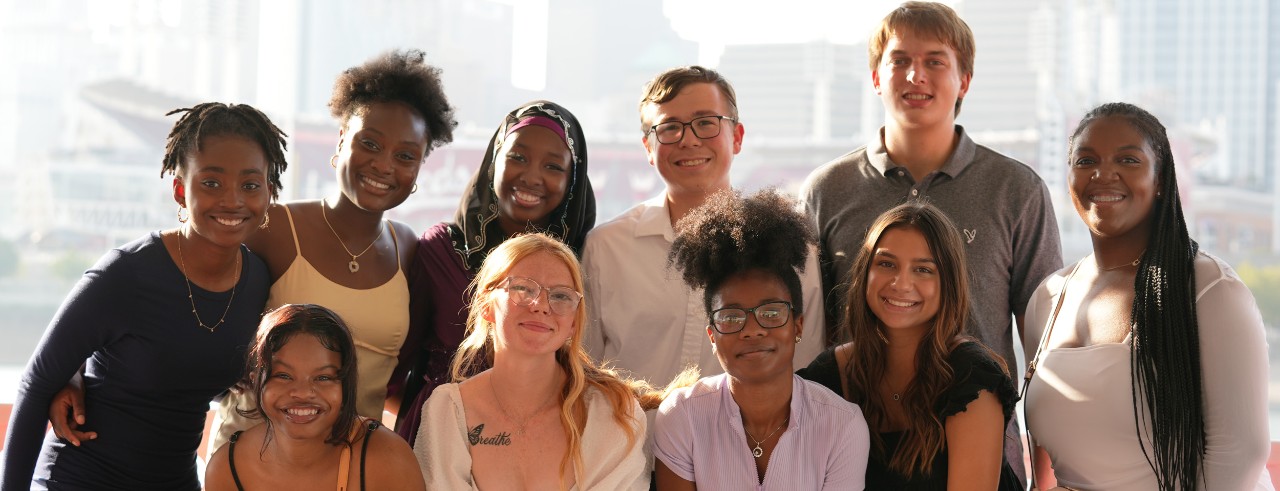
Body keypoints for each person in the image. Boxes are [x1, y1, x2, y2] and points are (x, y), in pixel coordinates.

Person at [797, 2, 1060, 478]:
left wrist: (1044, 473)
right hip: (853, 453)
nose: (915, 75)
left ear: (964, 80)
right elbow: (812, 329)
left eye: (935, 61)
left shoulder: (1016, 190)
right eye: (899, 60)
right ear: (877, 77)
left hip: (979, 450)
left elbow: (1045, 346)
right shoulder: (826, 190)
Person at [1, 102, 287, 490]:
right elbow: (37, 381)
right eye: (211, 183)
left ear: (269, 193)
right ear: (180, 190)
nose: (233, 200)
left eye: (250, 185)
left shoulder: (257, 281)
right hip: (82, 479)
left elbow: (197, 373)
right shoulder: (125, 273)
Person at [1022, 102, 1272, 490]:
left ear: (1160, 180)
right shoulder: (1048, 298)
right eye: (1086, 161)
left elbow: (1239, 454)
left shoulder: (1208, 288)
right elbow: (1047, 465)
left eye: (1128, 159)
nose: (1104, 174)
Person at [581, 66, 826, 457]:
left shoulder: (793, 250)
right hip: (623, 466)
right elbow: (584, 375)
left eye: (705, 123)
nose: (688, 140)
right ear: (648, 147)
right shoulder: (605, 249)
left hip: (743, 468)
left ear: (737, 136)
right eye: (669, 128)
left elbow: (808, 368)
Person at [389, 100, 594, 444]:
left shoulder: (582, 262)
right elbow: (400, 364)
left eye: (553, 166)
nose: (531, 176)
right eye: (518, 157)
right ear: (492, 161)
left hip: (543, 436)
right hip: (440, 432)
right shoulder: (441, 250)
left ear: (572, 181)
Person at [655, 189, 870, 490]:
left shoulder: (842, 424)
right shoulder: (682, 416)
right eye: (731, 317)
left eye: (771, 313)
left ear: (798, 326)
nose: (752, 330)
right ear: (712, 336)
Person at [798, 202, 1022, 490]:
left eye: (923, 270)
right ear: (865, 271)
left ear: (948, 283)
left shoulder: (971, 377)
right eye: (886, 264)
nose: (901, 283)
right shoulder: (830, 374)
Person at [415, 233, 648, 490]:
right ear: (485, 304)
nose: (541, 306)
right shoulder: (446, 410)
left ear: (573, 322)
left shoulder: (614, 412)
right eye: (523, 288)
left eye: (561, 296)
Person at [204, 304, 424, 491]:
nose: (302, 392)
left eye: (323, 378)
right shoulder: (228, 468)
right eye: (283, 375)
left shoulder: (388, 460)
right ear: (255, 382)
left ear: (345, 385)